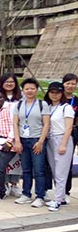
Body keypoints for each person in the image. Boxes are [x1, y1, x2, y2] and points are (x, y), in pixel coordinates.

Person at [12, 78, 51, 208]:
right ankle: (26, 194)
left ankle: (40, 196)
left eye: (32, 88)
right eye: (27, 89)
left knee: (39, 170)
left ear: (36, 90)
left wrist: (41, 141)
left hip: (37, 139)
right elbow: (15, 123)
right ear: (23, 90)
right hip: (23, 140)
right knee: (26, 169)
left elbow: (46, 124)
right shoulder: (19, 105)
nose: (30, 91)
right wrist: (17, 141)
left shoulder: (42, 104)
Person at [43, 82, 73, 212]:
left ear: (62, 94)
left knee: (61, 171)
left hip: (61, 138)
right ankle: (61, 197)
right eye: (52, 92)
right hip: (50, 139)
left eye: (57, 92)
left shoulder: (66, 108)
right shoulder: (48, 107)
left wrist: (63, 145)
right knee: (55, 171)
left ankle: (58, 200)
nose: (54, 95)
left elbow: (69, 128)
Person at [0, 72, 23, 197]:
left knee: (16, 160)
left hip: (17, 133)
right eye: (6, 82)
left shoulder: (21, 98)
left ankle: (14, 183)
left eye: (11, 82)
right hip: (3, 134)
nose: (9, 84)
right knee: (5, 160)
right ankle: (6, 183)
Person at [62, 73, 77, 202]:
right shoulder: (56, 98)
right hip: (55, 133)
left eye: (73, 83)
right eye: (68, 83)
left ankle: (66, 191)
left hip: (72, 134)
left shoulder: (76, 101)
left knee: (68, 163)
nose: (70, 86)